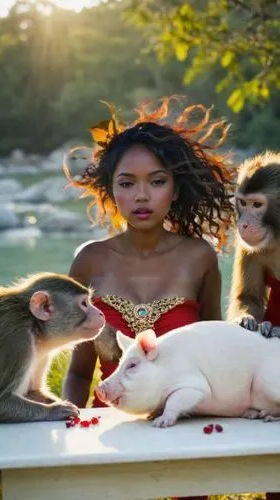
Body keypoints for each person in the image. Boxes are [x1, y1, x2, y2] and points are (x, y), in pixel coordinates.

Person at [62, 97, 234, 499]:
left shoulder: (200, 258)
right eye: (127, 183)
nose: (142, 195)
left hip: (188, 429)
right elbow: (78, 371)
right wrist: (67, 431)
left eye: (157, 181)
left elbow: (218, 356)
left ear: (175, 189)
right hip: (107, 433)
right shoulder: (88, 261)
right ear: (111, 191)